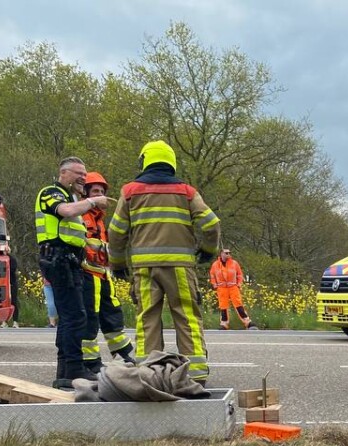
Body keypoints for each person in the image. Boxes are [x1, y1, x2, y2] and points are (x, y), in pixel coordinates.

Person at [109, 140, 221, 384]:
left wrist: (117, 264)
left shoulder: (130, 192)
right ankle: (195, 375)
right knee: (187, 316)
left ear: (145, 160)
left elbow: (116, 232)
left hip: (144, 269)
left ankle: (150, 376)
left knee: (147, 318)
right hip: (180, 268)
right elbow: (211, 224)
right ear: (171, 161)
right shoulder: (186, 191)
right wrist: (208, 250)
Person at [35, 157, 108, 388]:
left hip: (69, 261)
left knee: (71, 317)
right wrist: (93, 201)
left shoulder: (71, 197)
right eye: (79, 173)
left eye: (85, 175)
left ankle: (66, 370)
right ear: (63, 173)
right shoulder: (51, 192)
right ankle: (73, 370)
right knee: (74, 316)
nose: (83, 178)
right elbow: (65, 211)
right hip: (58, 258)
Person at [80, 171, 135, 364]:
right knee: (89, 318)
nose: (100, 195)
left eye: (102, 191)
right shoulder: (81, 215)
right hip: (87, 275)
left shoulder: (100, 219)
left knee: (112, 313)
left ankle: (123, 352)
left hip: (103, 274)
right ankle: (90, 361)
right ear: (85, 193)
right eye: (95, 191)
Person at [209, 249, 256, 330]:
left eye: (229, 253)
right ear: (221, 254)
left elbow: (240, 274)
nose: (228, 254)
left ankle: (248, 323)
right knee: (223, 306)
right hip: (222, 288)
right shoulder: (215, 264)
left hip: (233, 287)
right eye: (226, 253)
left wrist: (239, 284)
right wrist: (214, 285)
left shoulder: (234, 263)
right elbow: (212, 275)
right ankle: (224, 324)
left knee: (238, 305)